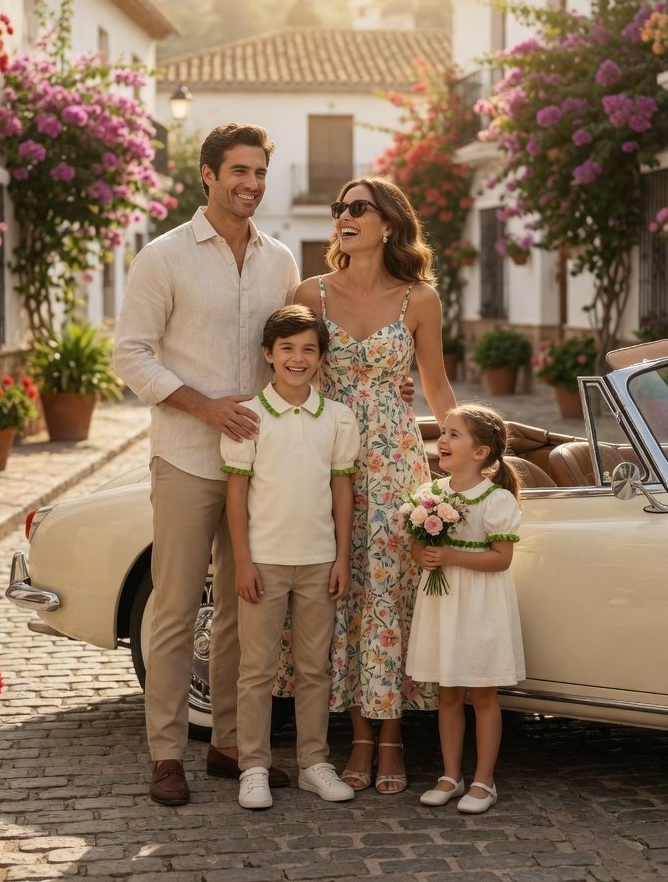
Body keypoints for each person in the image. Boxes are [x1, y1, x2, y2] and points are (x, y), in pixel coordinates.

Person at [113, 122, 300, 806]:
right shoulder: (162, 257)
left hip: (257, 463)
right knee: (175, 606)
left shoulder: (281, 260)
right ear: (208, 175)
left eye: (259, 173)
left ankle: (227, 744)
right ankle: (167, 753)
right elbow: (130, 355)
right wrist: (204, 406)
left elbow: (294, 350)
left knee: (238, 608)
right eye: (239, 171)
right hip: (188, 457)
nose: (250, 183)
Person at [293, 175, 456, 795]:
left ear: (388, 222)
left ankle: (388, 740)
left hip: (394, 467)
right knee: (344, 597)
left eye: (357, 207)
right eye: (340, 208)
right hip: (326, 457)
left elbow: (436, 387)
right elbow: (291, 371)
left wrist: (469, 451)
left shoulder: (419, 299)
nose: (344, 216)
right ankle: (355, 738)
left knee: (387, 596)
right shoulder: (310, 293)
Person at [222, 305, 359, 810]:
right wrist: (242, 561)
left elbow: (342, 491)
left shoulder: (339, 418)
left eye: (308, 349)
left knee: (314, 668)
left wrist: (342, 558)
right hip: (265, 562)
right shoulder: (249, 417)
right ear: (268, 355)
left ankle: (313, 763)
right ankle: (253, 767)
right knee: (256, 668)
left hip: (320, 562)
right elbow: (236, 495)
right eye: (287, 349)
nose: (297, 359)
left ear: (322, 358)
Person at [406, 403, 525, 814]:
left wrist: (452, 557)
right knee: (448, 692)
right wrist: (424, 555)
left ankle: (484, 780)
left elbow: (501, 559)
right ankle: (450, 774)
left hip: (479, 604)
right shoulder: (430, 495)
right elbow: (418, 546)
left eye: (454, 434)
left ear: (480, 452)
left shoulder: (495, 500)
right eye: (443, 432)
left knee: (483, 692)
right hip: (443, 603)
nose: (442, 440)